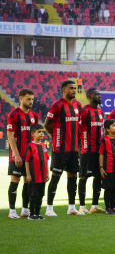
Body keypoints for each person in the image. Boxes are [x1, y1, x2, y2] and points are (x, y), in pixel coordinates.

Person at [44, 81, 83, 216]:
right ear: (63, 90)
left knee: (73, 177)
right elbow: (47, 124)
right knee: (56, 177)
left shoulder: (78, 105)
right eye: (71, 88)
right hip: (60, 148)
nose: (73, 90)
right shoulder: (57, 105)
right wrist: (55, 136)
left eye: (75, 88)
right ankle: (49, 208)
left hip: (73, 149)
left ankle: (71, 207)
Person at [7, 89, 38, 219]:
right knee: (15, 179)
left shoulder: (34, 116)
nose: (30, 101)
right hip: (17, 154)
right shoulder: (14, 115)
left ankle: (25, 209)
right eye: (28, 99)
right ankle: (12, 211)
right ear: (20, 99)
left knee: (28, 180)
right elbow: (10, 136)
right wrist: (17, 154)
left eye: (32, 99)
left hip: (30, 156)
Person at [78, 88, 105, 214]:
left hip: (98, 149)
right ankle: (82, 206)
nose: (99, 96)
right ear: (89, 96)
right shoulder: (84, 111)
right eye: (96, 94)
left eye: (99, 94)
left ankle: (95, 205)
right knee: (84, 176)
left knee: (98, 176)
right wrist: (79, 148)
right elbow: (78, 130)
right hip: (86, 148)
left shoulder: (101, 112)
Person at [24, 124, 49, 220]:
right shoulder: (30, 147)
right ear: (33, 134)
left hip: (42, 176)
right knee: (33, 194)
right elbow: (26, 161)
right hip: (34, 176)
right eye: (39, 132)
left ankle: (38, 213)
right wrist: (28, 174)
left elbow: (46, 160)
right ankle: (32, 214)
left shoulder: (43, 146)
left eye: (42, 131)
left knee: (41, 194)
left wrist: (47, 173)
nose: (42, 133)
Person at [99, 119, 115, 214]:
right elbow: (101, 154)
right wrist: (101, 168)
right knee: (109, 189)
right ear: (107, 129)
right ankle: (108, 208)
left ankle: (113, 207)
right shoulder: (104, 140)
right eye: (113, 125)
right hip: (108, 168)